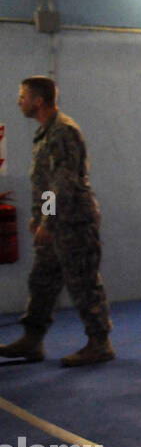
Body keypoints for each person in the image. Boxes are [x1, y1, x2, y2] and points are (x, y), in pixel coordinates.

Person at [0, 77, 113, 366]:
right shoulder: (45, 132)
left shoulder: (62, 131)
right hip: (54, 222)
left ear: (38, 100)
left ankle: (99, 344)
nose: (19, 101)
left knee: (83, 282)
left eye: (23, 96)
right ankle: (32, 340)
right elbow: (46, 182)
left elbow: (61, 183)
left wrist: (46, 221)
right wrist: (40, 217)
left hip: (73, 221)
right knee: (41, 281)